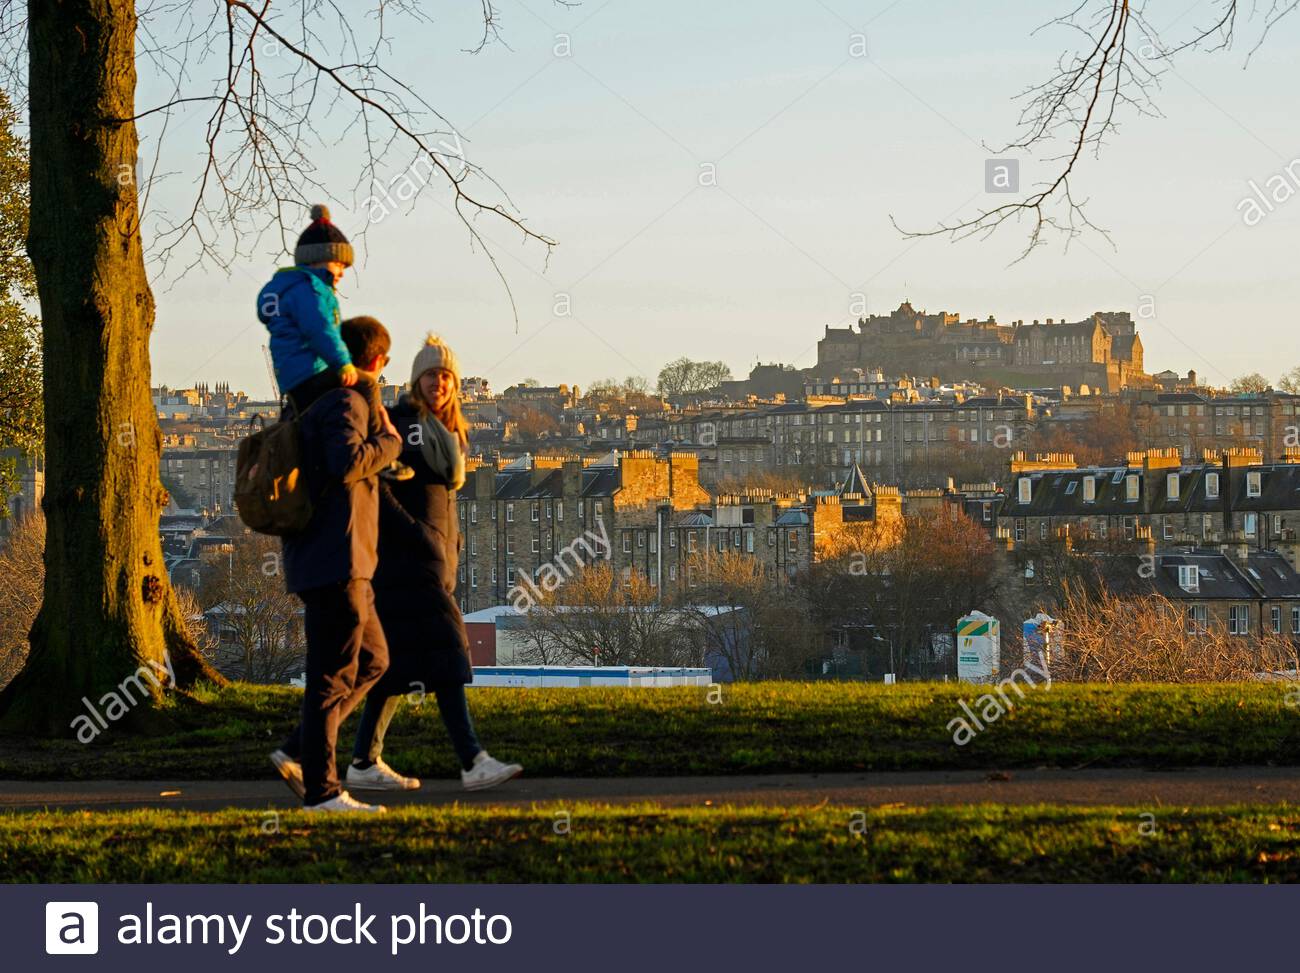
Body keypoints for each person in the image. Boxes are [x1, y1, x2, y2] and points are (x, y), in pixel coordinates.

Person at [345, 332, 523, 793]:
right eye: (430, 375)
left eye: (446, 376)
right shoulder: (403, 423)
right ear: (415, 380)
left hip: (428, 565)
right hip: (408, 564)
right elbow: (377, 486)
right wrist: (421, 537)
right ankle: (472, 760)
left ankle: (361, 760)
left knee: (394, 666)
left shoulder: (447, 434)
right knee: (448, 654)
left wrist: (446, 550)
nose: (438, 383)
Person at [268, 317, 404, 813]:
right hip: (337, 559)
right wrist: (390, 443)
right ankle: (323, 791)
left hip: (343, 559)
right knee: (332, 676)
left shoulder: (315, 398)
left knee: (374, 660)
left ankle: (296, 751)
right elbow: (347, 463)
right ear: (377, 360)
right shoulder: (345, 401)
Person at [257, 203, 411, 481]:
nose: (341, 272)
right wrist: (343, 364)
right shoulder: (311, 291)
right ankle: (382, 446)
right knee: (367, 384)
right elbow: (321, 331)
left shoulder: (287, 290)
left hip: (293, 379)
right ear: (317, 261)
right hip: (310, 373)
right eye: (338, 264)